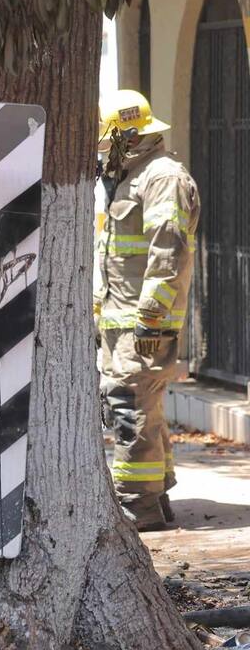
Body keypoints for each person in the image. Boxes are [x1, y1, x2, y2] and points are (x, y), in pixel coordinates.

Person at [94, 89, 200, 531]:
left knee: (129, 407)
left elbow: (167, 253)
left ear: (129, 137)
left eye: (108, 144)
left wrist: (151, 320)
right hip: (122, 322)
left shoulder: (161, 177)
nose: (103, 155)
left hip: (142, 324)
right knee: (142, 407)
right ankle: (157, 496)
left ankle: (136, 507)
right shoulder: (132, 178)